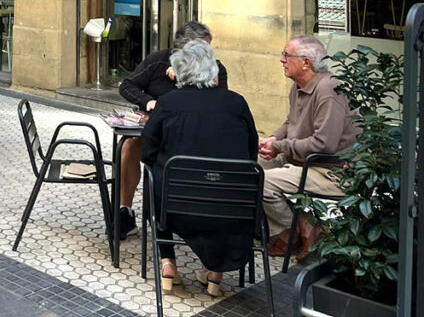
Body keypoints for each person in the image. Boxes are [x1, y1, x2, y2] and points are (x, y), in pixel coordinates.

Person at [141, 40, 257, 296]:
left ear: (181, 71)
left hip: (175, 206)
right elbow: (252, 151)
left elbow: (147, 150)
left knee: (156, 177)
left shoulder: (168, 102)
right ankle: (215, 272)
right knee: (219, 185)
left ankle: (167, 261)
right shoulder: (237, 103)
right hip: (232, 206)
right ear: (212, 70)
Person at [116, 21, 229, 238]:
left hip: (191, 136)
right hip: (155, 131)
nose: (208, 54)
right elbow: (127, 85)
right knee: (130, 147)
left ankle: (184, 213)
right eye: (203, 48)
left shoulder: (214, 69)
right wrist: (147, 102)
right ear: (182, 49)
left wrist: (187, 77)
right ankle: (125, 211)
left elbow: (218, 101)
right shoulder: (157, 61)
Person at [259, 35, 358, 260]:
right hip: (303, 160)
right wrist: (273, 139)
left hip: (330, 171)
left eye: (286, 55)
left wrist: (280, 145)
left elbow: (324, 144)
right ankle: (300, 222)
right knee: (248, 166)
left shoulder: (329, 90)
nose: (281, 60)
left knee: (262, 181)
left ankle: (289, 235)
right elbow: (290, 121)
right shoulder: (298, 86)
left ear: (306, 62)